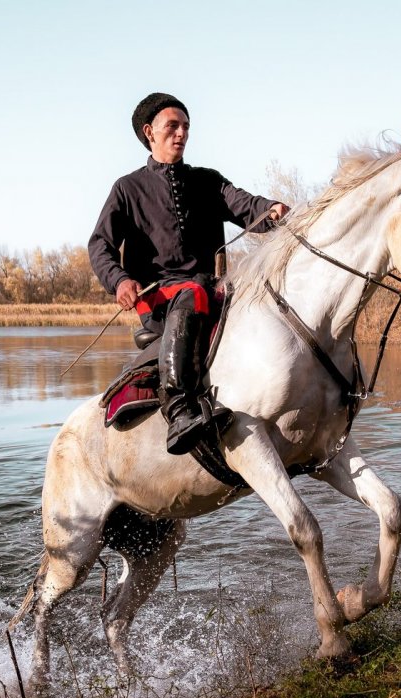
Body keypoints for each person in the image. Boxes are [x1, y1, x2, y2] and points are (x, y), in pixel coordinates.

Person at [89, 92, 289, 455]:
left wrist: (271, 209)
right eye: (173, 127)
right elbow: (99, 246)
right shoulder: (127, 189)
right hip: (158, 297)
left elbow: (245, 205)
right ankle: (179, 409)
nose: (181, 134)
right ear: (149, 132)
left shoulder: (208, 181)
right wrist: (119, 281)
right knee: (194, 292)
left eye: (186, 127)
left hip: (213, 289)